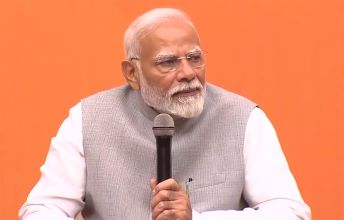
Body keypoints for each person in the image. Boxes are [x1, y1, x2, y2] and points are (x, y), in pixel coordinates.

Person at [19, 8, 311, 220]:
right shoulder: (87, 120)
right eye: (168, 62)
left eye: (194, 58)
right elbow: (43, 209)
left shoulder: (244, 118)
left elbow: (290, 212)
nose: (187, 73)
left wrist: (196, 219)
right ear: (132, 73)